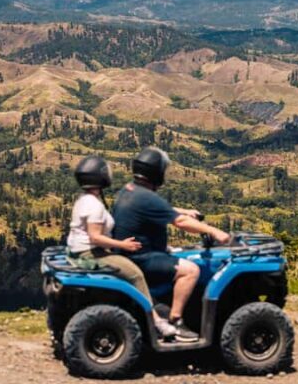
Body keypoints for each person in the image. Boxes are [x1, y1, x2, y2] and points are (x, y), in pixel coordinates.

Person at [112, 147, 231, 343]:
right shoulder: (147, 196)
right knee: (190, 270)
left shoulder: (129, 190)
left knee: (177, 255)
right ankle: (176, 322)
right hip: (140, 259)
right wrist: (214, 231)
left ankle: (163, 305)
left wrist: (184, 211)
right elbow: (181, 223)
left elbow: (159, 209)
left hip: (129, 255)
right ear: (157, 173)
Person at [67, 155, 178, 339]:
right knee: (135, 274)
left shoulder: (83, 199)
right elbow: (95, 237)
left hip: (84, 251)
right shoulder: (94, 205)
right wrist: (122, 245)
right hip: (91, 253)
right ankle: (157, 321)